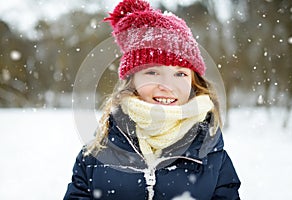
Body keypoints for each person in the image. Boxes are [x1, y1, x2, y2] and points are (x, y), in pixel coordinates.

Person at [64, 0, 241, 199]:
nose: (167, 85)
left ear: (194, 82)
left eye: (180, 74)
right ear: (132, 81)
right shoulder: (95, 155)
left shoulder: (212, 157)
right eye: (152, 72)